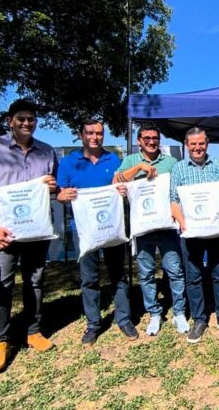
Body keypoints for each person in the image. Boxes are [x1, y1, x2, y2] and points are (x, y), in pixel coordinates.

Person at [0, 99, 59, 373]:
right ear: (10, 120)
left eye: (31, 119)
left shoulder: (46, 151)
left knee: (35, 280)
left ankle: (33, 331)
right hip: (3, 232)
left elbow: (51, 189)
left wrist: (54, 187)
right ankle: (0, 341)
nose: (26, 123)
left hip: (36, 230)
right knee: (1, 285)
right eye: (21, 118)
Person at [56, 119, 137, 345]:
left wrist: (121, 190)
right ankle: (93, 324)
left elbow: (120, 185)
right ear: (81, 134)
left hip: (112, 227)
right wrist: (63, 197)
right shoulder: (69, 162)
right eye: (90, 133)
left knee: (118, 275)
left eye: (99, 133)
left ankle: (124, 319)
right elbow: (60, 195)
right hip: (83, 230)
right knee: (89, 278)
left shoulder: (113, 159)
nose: (95, 137)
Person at [114, 122, 189, 336]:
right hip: (141, 228)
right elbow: (115, 182)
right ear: (139, 141)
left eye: (154, 138)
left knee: (175, 271)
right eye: (146, 138)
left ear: (159, 140)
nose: (150, 141)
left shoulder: (171, 162)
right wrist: (138, 168)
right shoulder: (130, 161)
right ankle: (154, 313)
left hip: (166, 227)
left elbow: (179, 189)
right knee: (146, 274)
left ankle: (180, 312)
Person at [170, 127, 219, 343]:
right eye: (193, 144)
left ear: (207, 144)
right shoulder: (178, 169)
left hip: (216, 231)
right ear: (187, 145)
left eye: (201, 143)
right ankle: (199, 319)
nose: (197, 148)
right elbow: (173, 200)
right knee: (194, 277)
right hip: (191, 234)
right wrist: (182, 222)